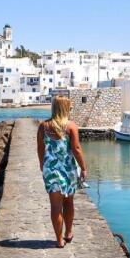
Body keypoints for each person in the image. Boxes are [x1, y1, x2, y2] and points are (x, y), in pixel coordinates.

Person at [37, 96, 88, 248]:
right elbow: (76, 149)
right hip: (68, 170)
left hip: (50, 170)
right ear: (66, 109)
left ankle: (59, 240)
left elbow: (40, 149)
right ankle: (68, 232)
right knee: (68, 202)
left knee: (55, 206)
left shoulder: (43, 126)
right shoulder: (71, 126)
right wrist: (84, 168)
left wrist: (42, 165)